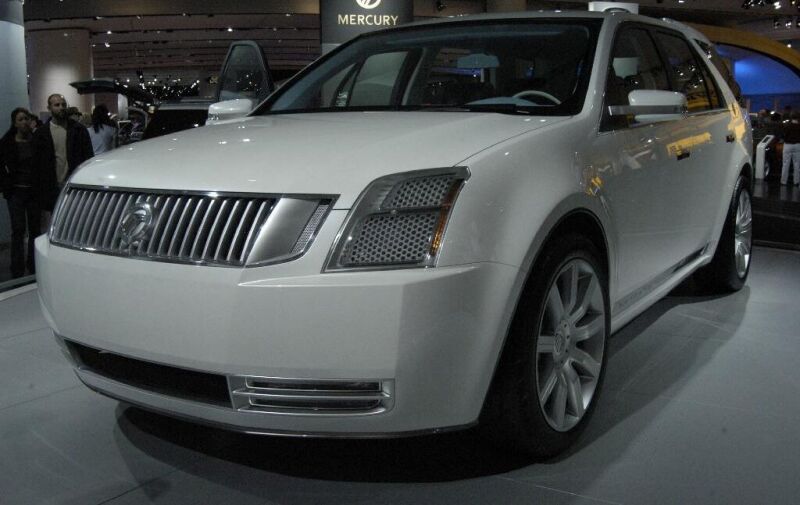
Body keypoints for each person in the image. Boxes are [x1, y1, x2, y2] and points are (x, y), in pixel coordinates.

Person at [31, 94, 93, 214]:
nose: (61, 107)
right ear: (49, 108)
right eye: (57, 105)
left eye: (63, 104)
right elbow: (37, 164)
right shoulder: (41, 134)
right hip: (52, 186)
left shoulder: (78, 130)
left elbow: (88, 157)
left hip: (75, 184)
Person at [0, 108, 40, 277]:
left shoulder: (36, 141)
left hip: (33, 191)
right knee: (18, 230)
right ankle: (16, 269)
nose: (24, 122)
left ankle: (34, 265)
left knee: (35, 230)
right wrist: (5, 185)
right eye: (21, 119)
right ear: (15, 123)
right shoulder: (7, 142)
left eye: (26, 118)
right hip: (16, 192)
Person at [780, 110, 800, 186]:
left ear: (791, 117)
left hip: (788, 145)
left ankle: (783, 181)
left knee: (785, 164)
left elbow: (783, 135)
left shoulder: (787, 125)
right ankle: (796, 181)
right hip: (798, 145)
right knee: (797, 164)